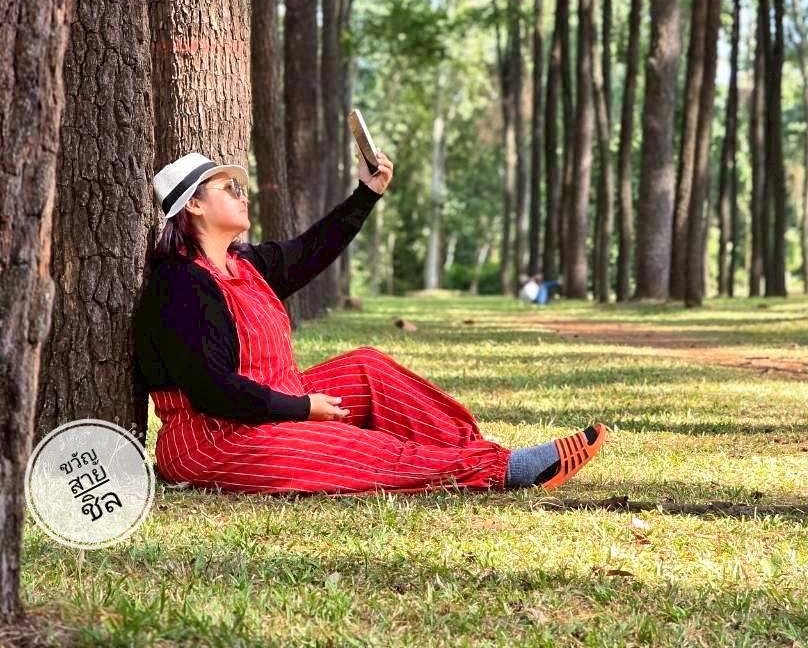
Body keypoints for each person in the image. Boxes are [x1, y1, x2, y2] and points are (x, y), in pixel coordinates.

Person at [134, 150, 608, 496]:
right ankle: (503, 471)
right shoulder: (180, 285)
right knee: (346, 446)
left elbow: (314, 248)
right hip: (216, 437)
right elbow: (212, 392)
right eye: (228, 188)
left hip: (272, 404)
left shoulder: (245, 264)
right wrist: (302, 409)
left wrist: (367, 193)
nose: (242, 195)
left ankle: (481, 452)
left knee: (367, 368)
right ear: (193, 206)